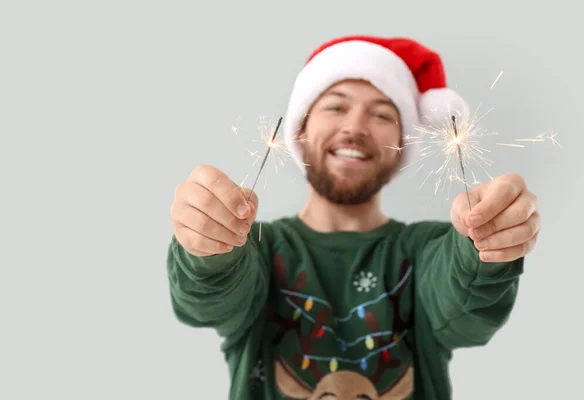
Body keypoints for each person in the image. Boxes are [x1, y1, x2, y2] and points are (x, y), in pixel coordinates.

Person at [166, 35, 541, 400]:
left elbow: (468, 311)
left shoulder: (425, 251)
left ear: (401, 145)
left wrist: (485, 244)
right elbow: (206, 299)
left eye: (381, 114)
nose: (355, 128)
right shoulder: (256, 248)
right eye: (336, 106)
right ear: (300, 128)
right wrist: (209, 242)